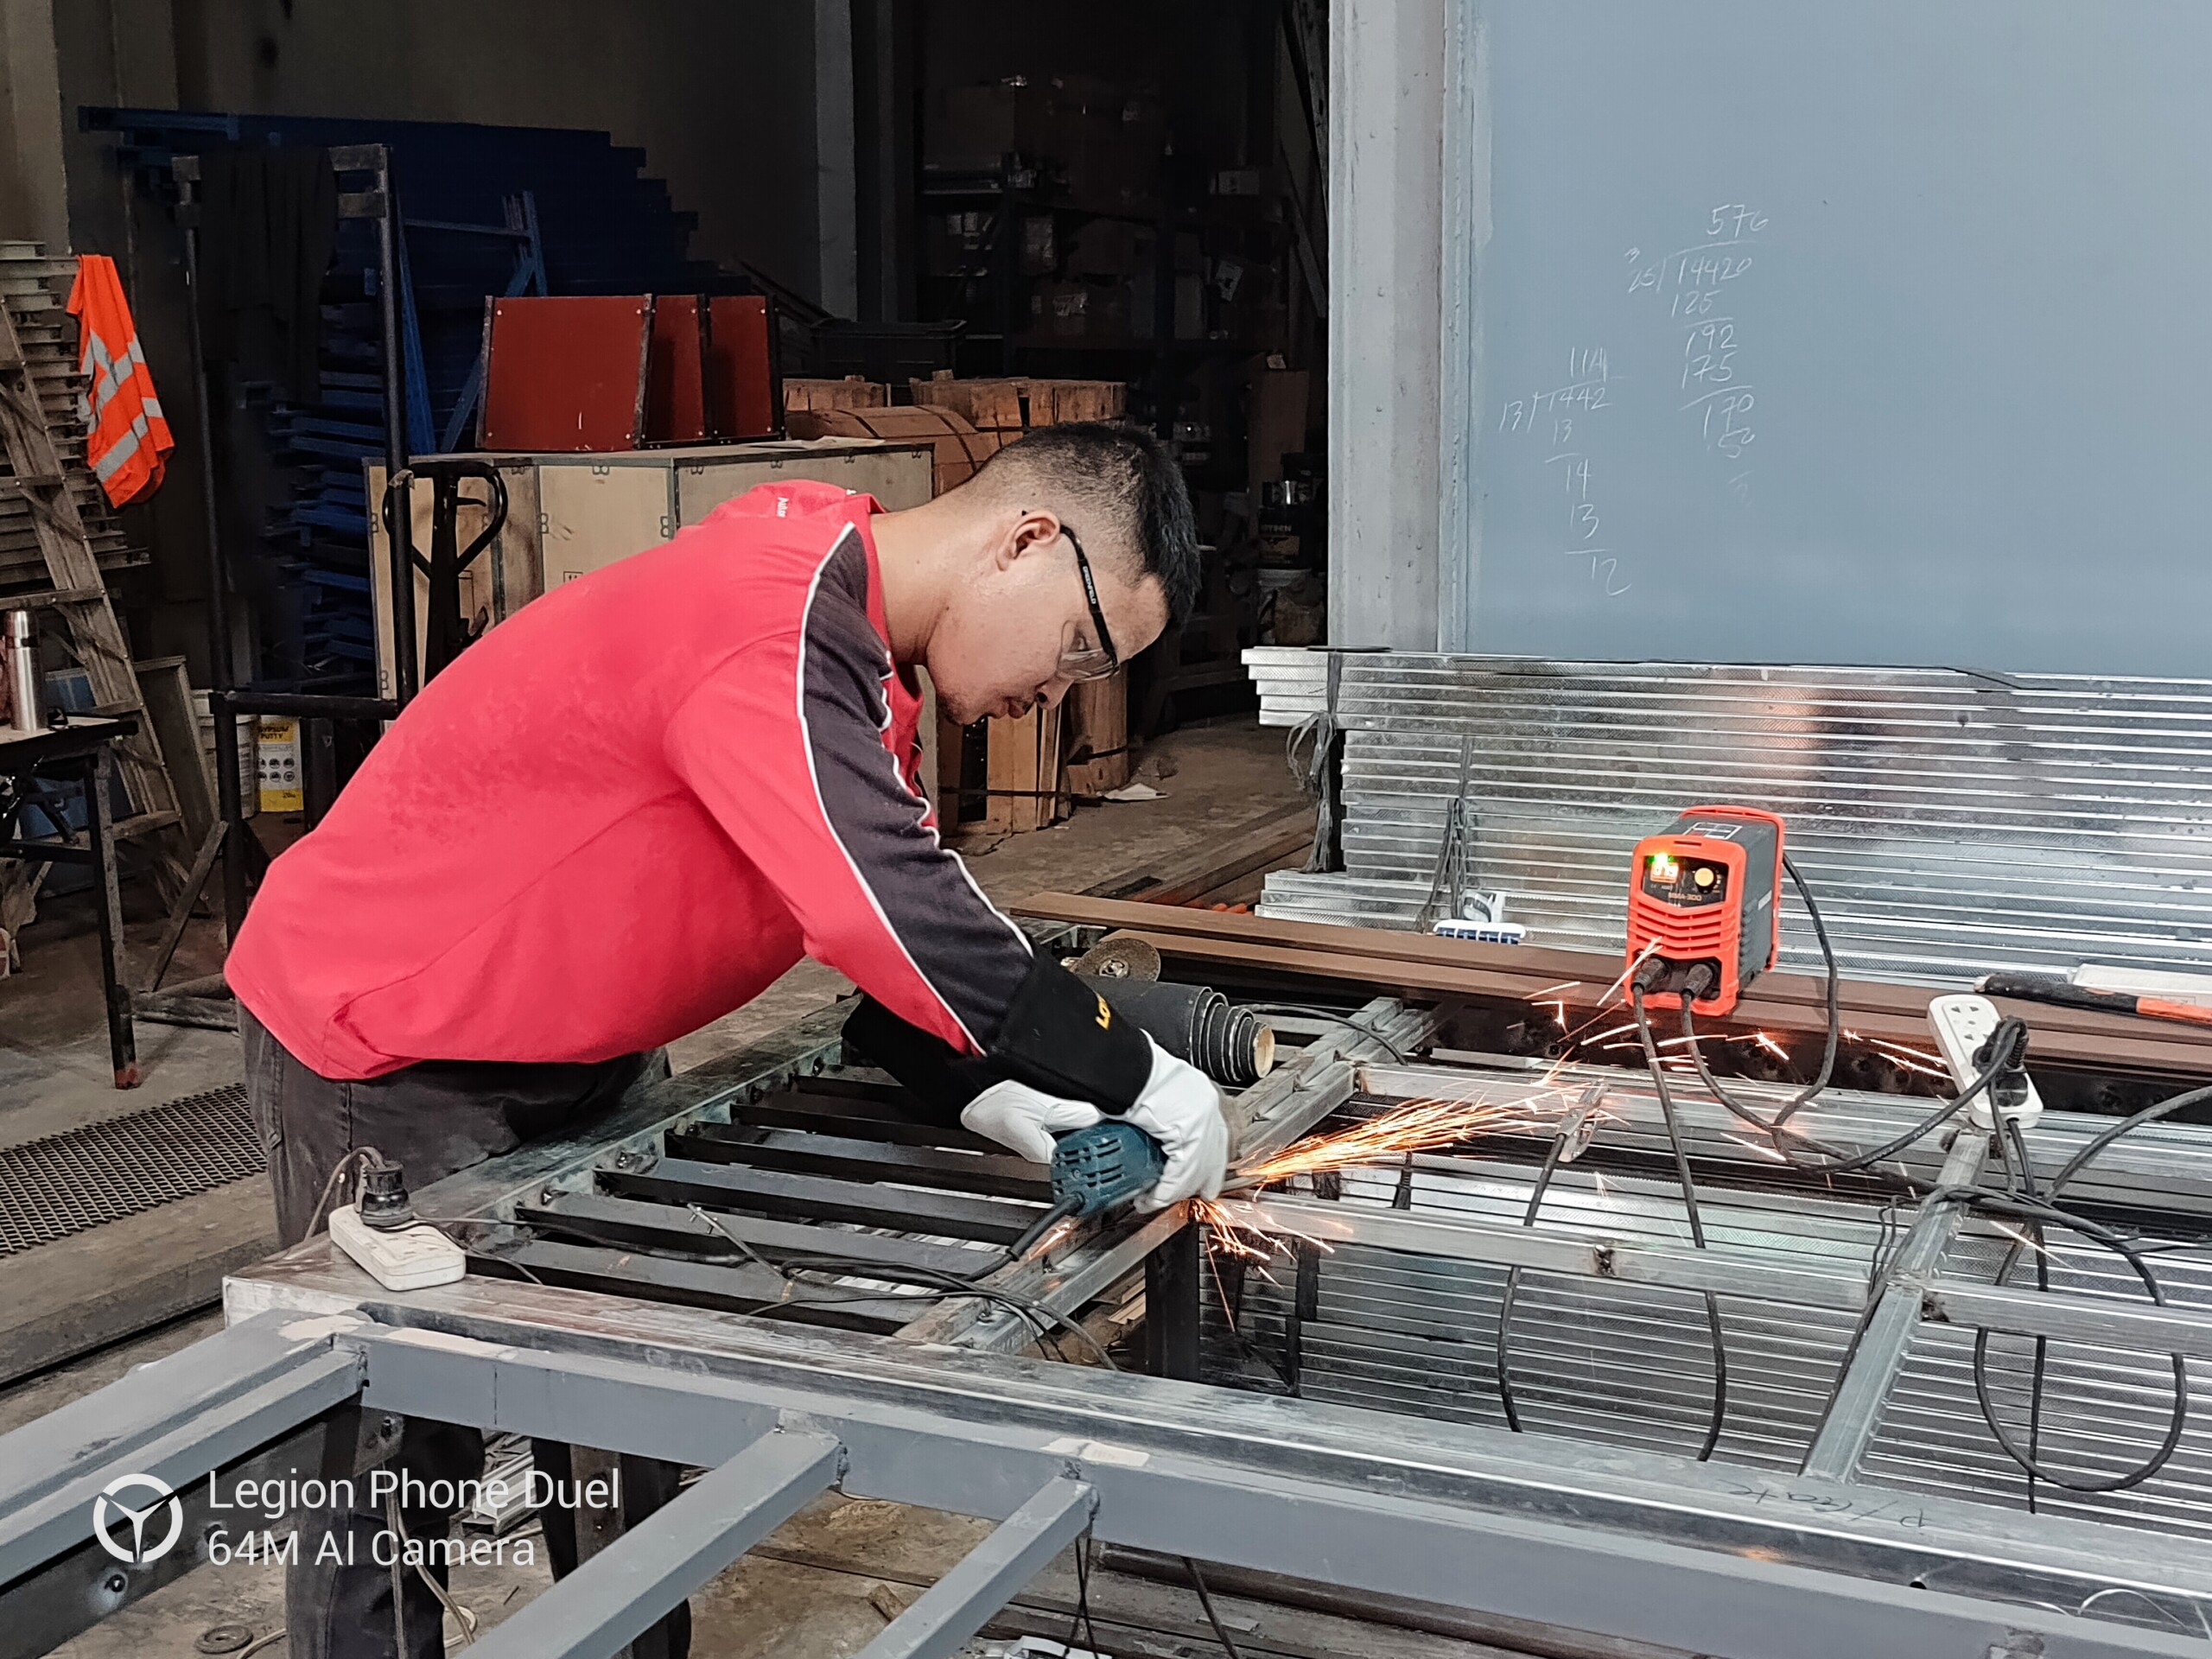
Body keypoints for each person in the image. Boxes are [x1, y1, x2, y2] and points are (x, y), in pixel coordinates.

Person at [227, 421, 1230, 1659]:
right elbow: (894, 912)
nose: (1059, 693)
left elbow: (858, 927)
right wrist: (1146, 1077)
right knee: (399, 1452)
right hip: (393, 1043)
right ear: (1025, 541)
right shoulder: (773, 620)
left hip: (586, 1043)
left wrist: (991, 1093)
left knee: (625, 1414)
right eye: (1079, 648)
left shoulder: (854, 660)